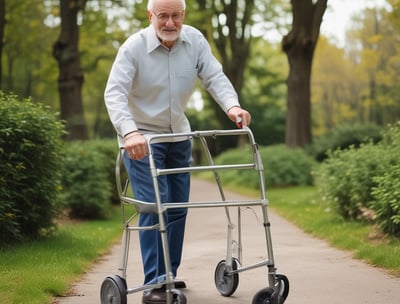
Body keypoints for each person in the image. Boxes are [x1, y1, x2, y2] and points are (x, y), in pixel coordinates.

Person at [104, 0, 251, 302]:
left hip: (179, 138)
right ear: (150, 16)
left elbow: (214, 77)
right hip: (142, 141)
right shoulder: (133, 49)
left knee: (177, 209)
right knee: (154, 207)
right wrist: (129, 131)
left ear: (183, 15)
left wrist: (232, 106)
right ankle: (154, 284)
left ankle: (168, 275)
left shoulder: (194, 41)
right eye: (163, 16)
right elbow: (115, 93)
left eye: (176, 16)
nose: (170, 23)